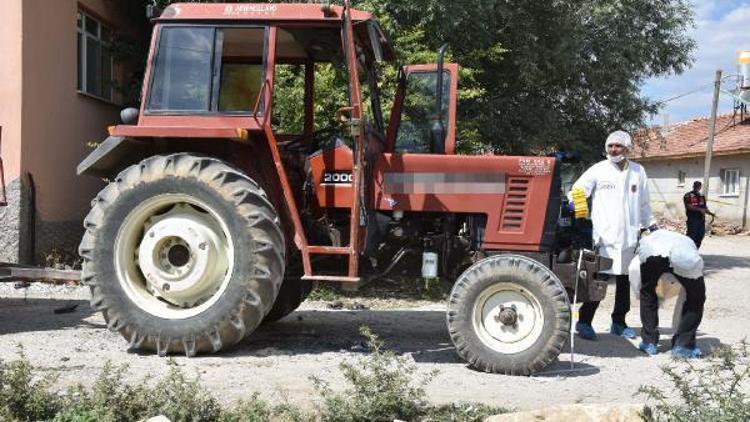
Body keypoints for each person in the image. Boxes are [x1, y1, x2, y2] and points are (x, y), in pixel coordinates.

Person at [568, 130, 655, 340]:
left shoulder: (638, 171)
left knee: (626, 280)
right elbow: (579, 189)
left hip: (630, 236)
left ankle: (619, 322)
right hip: (605, 237)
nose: (613, 150)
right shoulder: (599, 170)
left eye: (618, 146)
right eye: (610, 146)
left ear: (627, 148)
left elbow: (644, 203)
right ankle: (584, 321)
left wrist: (651, 225)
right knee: (599, 279)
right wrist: (574, 201)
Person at [636, 230, 705, 357]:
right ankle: (684, 345)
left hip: (652, 254)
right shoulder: (687, 242)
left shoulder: (649, 239)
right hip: (684, 257)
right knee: (696, 297)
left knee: (648, 293)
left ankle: (649, 342)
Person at [683, 181, 714, 248]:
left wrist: (710, 213)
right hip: (692, 219)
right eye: (695, 186)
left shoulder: (701, 196)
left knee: (700, 235)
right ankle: (687, 250)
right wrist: (699, 209)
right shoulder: (688, 195)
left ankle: (695, 250)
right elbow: (688, 206)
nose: (697, 187)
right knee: (691, 236)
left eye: (698, 186)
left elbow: (704, 207)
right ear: (693, 186)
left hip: (701, 220)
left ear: (700, 187)